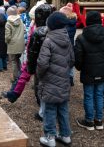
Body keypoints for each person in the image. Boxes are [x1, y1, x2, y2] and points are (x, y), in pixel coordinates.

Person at [38, 12, 74, 147]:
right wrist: (63, 71)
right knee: (63, 108)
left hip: (50, 82)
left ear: (51, 25)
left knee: (49, 109)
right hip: (63, 81)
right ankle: (66, 135)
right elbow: (72, 60)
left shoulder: (48, 41)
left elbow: (42, 63)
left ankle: (50, 137)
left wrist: (40, 75)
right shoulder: (67, 39)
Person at [74, 11, 104, 131]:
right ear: (99, 21)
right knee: (99, 95)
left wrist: (79, 67)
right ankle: (99, 121)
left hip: (88, 71)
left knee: (89, 95)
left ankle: (89, 121)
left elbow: (78, 57)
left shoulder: (81, 37)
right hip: (101, 71)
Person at [5, 5, 25, 88]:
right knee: (18, 60)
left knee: (13, 61)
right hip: (20, 44)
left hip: (12, 44)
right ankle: (20, 76)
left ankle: (15, 78)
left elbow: (8, 36)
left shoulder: (8, 23)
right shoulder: (20, 20)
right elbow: (24, 30)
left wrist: (6, 42)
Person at [59, 2, 77, 86]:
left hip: (63, 45)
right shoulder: (73, 21)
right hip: (71, 45)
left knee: (63, 62)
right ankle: (70, 77)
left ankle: (65, 78)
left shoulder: (64, 24)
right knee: (70, 62)